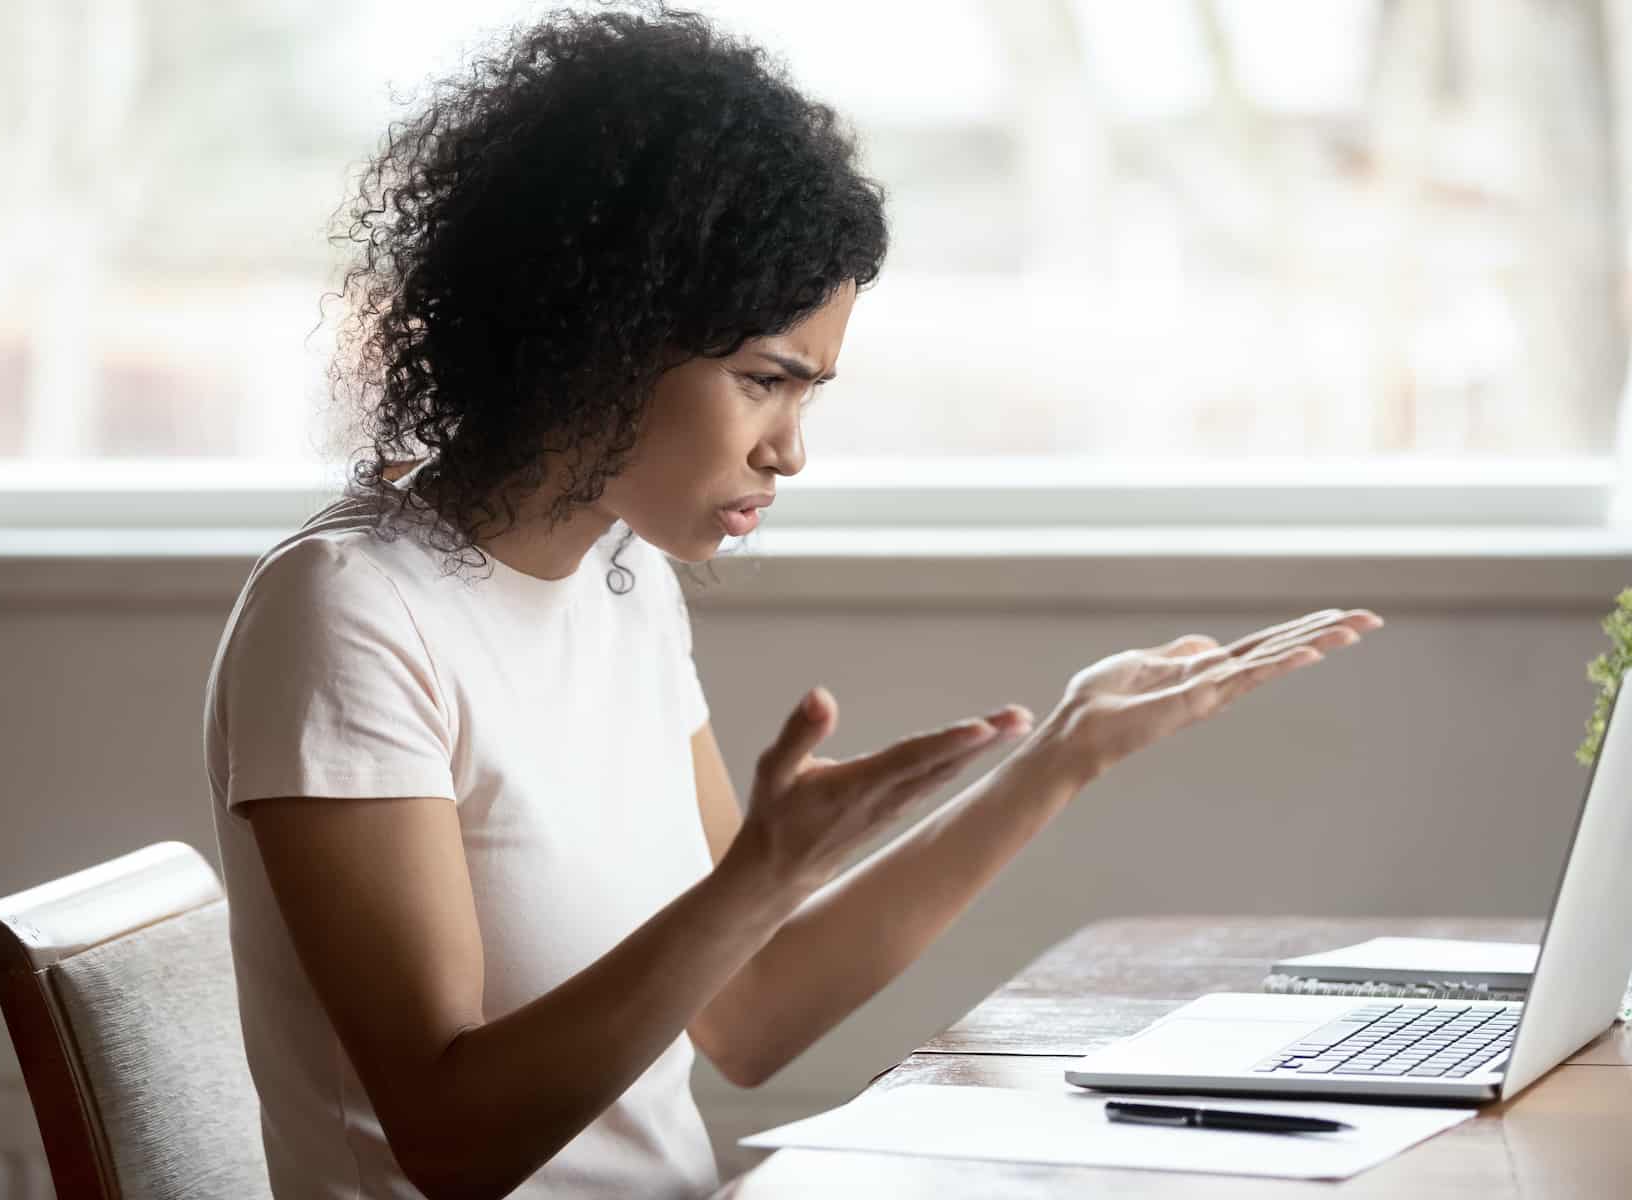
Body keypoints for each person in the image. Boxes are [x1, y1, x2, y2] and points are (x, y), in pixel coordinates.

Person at [202, 6, 1383, 1199]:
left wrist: (1063, 756)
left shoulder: (622, 583)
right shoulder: (350, 612)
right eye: (767, 381)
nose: (790, 453)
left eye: (808, 396)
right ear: (597, 333)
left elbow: (748, 1016)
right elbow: (451, 1146)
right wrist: (756, 878)